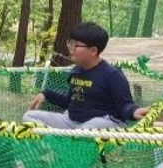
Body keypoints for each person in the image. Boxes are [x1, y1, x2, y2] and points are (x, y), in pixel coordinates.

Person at [22, 22, 150, 129]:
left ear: (93, 51)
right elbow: (69, 102)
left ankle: (70, 142)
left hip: (104, 123)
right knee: (29, 116)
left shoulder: (113, 75)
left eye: (75, 45)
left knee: (87, 129)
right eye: (70, 43)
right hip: (72, 122)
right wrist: (46, 93)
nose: (70, 48)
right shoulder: (76, 72)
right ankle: (56, 147)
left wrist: (134, 111)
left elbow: (125, 105)